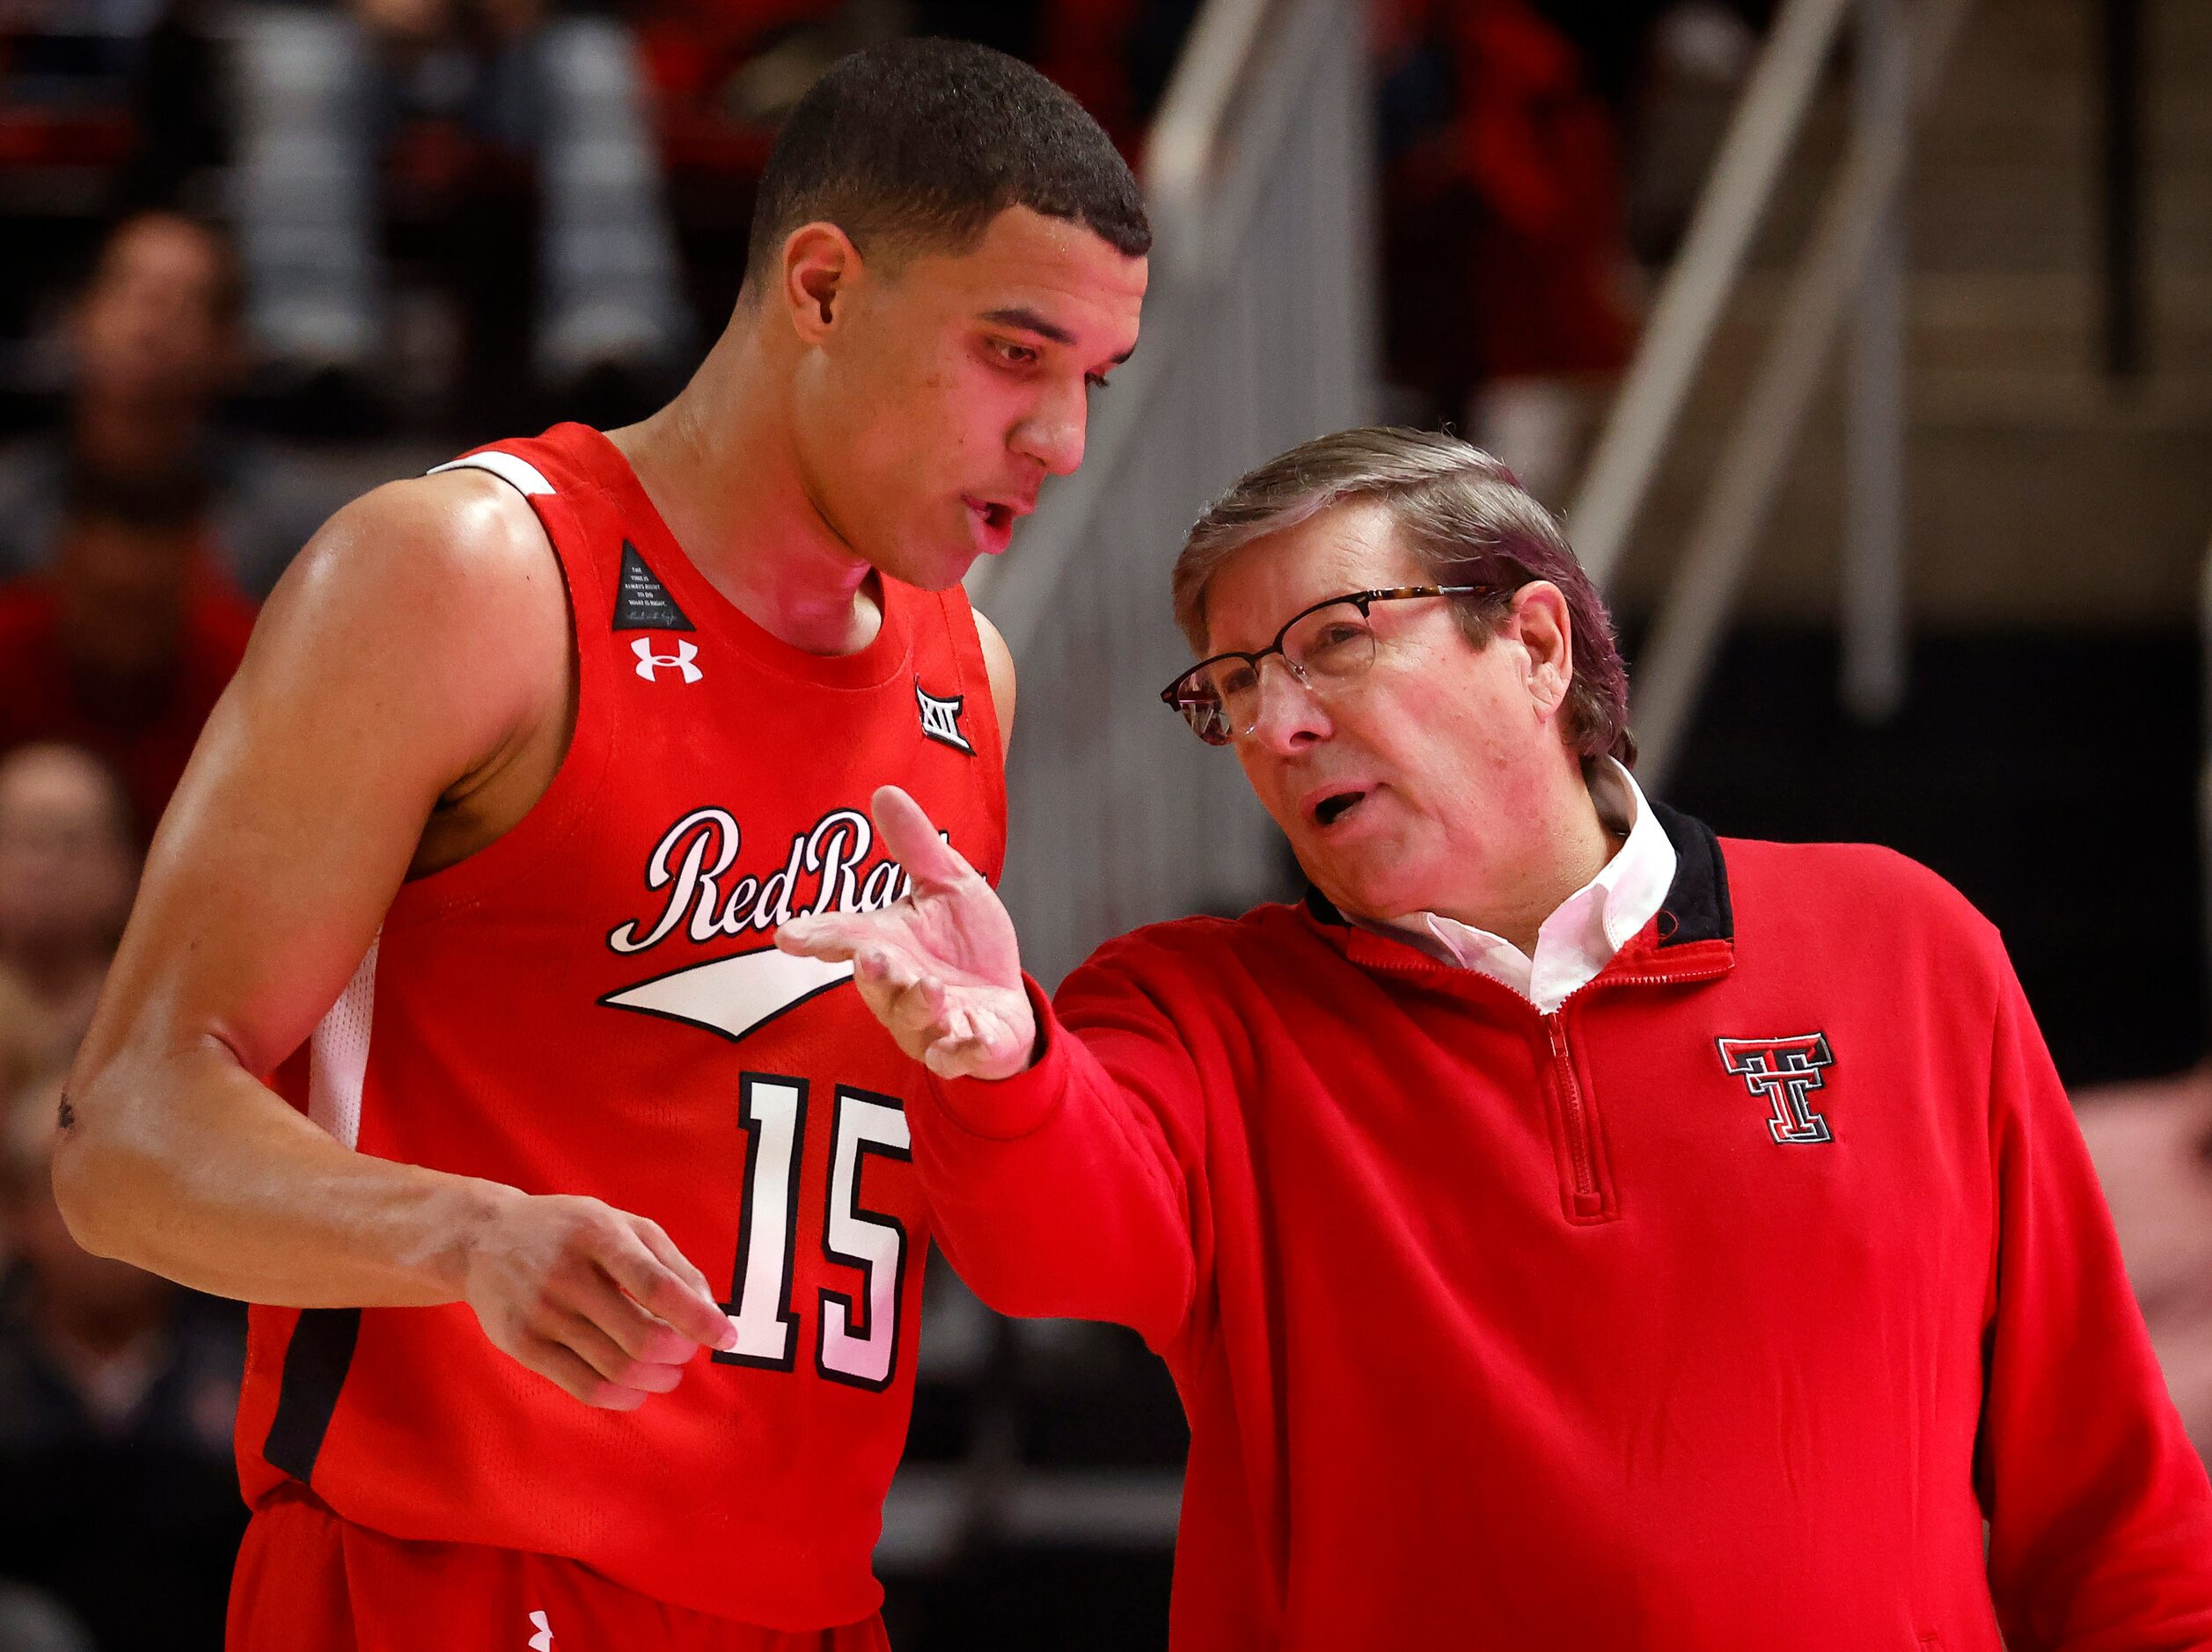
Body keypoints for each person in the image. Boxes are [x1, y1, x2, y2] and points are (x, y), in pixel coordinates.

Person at [55, 39, 1147, 1651]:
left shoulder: (965, 675)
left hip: (805, 1609)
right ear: (824, 290)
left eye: (1092, 380)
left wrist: (1016, 1086)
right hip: (459, 1575)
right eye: (1013, 352)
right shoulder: (467, 572)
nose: (1058, 435)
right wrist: (462, 1232)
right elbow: (124, 1135)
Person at [780, 426, 2212, 1648]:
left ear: (1530, 642)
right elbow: (1056, 1245)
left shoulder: (1903, 946)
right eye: (1227, 690)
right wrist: (1004, 1065)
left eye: (1332, 641)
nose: (1272, 722)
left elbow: (2108, 1504)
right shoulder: (1190, 1010)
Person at [0, 1070, 246, 1652]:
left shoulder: (252, 1357)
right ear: (15, 1212)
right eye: (63, 1189)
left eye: (125, 1187)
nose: (97, 1224)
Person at [0, 211, 332, 601]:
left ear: (231, 349)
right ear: (77, 318)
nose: (149, 327)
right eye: (129, 293)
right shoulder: (8, 509)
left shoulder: (301, 532)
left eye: (183, 304)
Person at [0, 470, 259, 835]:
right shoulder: (8, 646)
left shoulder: (247, 672)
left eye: (148, 607)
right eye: (107, 601)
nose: (124, 633)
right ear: (63, 571)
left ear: (196, 583)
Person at [0, 746, 140, 1073]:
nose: (43, 866)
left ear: (123, 867)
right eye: (25, 840)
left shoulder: (149, 1020)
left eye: (71, 842)